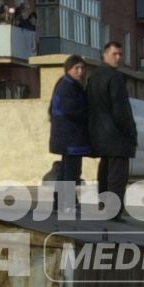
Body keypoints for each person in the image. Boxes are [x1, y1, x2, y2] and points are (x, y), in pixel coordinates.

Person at [86, 41, 138, 218]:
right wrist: (129, 131)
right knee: (117, 176)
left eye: (120, 54)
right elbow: (120, 109)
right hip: (116, 135)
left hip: (99, 134)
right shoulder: (115, 78)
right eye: (115, 54)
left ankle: (103, 206)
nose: (118, 58)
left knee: (104, 172)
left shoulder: (93, 77)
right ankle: (113, 211)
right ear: (105, 54)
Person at [47, 55, 91, 216]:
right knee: (71, 172)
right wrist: (89, 113)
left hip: (69, 138)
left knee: (66, 171)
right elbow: (72, 111)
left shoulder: (70, 85)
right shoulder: (67, 87)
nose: (80, 71)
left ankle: (60, 203)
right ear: (68, 69)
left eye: (82, 68)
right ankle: (66, 203)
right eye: (76, 68)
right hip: (70, 138)